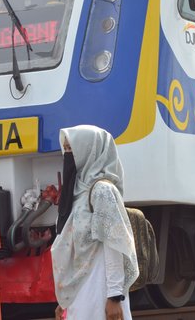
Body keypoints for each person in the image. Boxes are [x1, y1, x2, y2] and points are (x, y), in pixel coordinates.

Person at [51, 125, 138, 320]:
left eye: (73, 150)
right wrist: (63, 300)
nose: (68, 156)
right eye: (66, 150)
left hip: (100, 290)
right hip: (80, 292)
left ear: (90, 152)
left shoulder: (102, 192)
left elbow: (114, 245)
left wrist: (114, 297)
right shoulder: (76, 193)